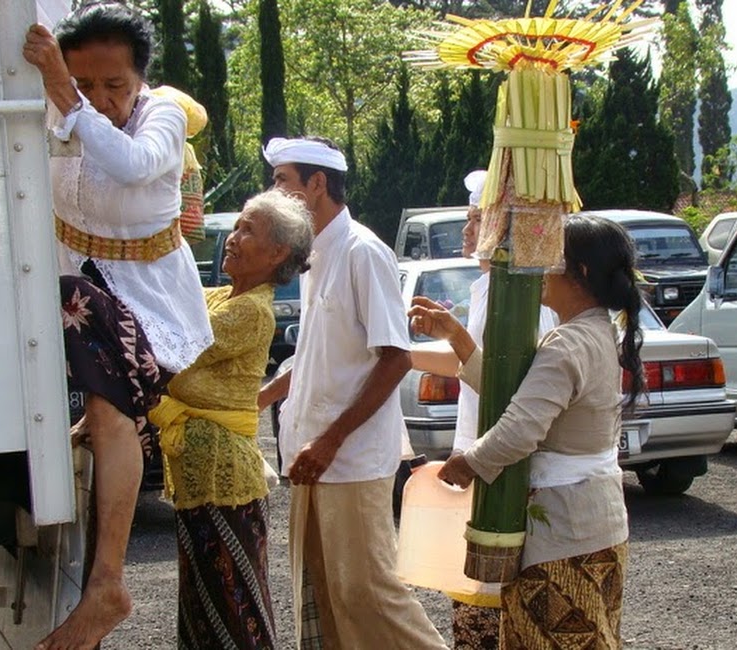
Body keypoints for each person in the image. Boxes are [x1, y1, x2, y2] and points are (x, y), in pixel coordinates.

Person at [22, 5, 214, 649]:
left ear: (140, 81)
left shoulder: (161, 116)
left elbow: (134, 165)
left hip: (150, 306)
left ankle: (109, 581)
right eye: (87, 84)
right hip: (72, 294)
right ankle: (82, 585)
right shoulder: (52, 108)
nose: (101, 101)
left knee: (109, 412)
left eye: (115, 87)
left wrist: (67, 99)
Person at [410, 214, 645, 649]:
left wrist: (468, 464)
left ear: (582, 273)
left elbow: (520, 427)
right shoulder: (591, 332)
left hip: (563, 532)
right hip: (593, 522)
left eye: (550, 257)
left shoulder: (568, 342)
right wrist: (457, 336)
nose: (539, 269)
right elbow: (518, 399)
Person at [257, 137, 447, 650]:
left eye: (282, 182)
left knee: (366, 593)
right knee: (322, 593)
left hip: (350, 458)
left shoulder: (364, 251)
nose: (274, 193)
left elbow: (395, 357)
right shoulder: (312, 253)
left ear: (317, 185)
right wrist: (262, 396)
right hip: (311, 456)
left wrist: (330, 441)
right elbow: (321, 356)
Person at [149, 189, 313, 649]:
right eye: (236, 227)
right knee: (203, 608)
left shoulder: (251, 311)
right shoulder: (222, 295)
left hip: (226, 484)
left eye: (248, 230)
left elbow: (176, 346)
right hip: (200, 482)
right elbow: (166, 295)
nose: (233, 238)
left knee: (233, 610)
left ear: (277, 253)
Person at [410, 170, 556, 649]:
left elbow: (504, 382)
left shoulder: (521, 293)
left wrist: (452, 335)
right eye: (471, 219)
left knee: (492, 594)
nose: (468, 230)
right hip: (479, 448)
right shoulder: (486, 284)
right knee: (472, 588)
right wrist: (401, 353)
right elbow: (468, 365)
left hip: (501, 458)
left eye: (478, 219)